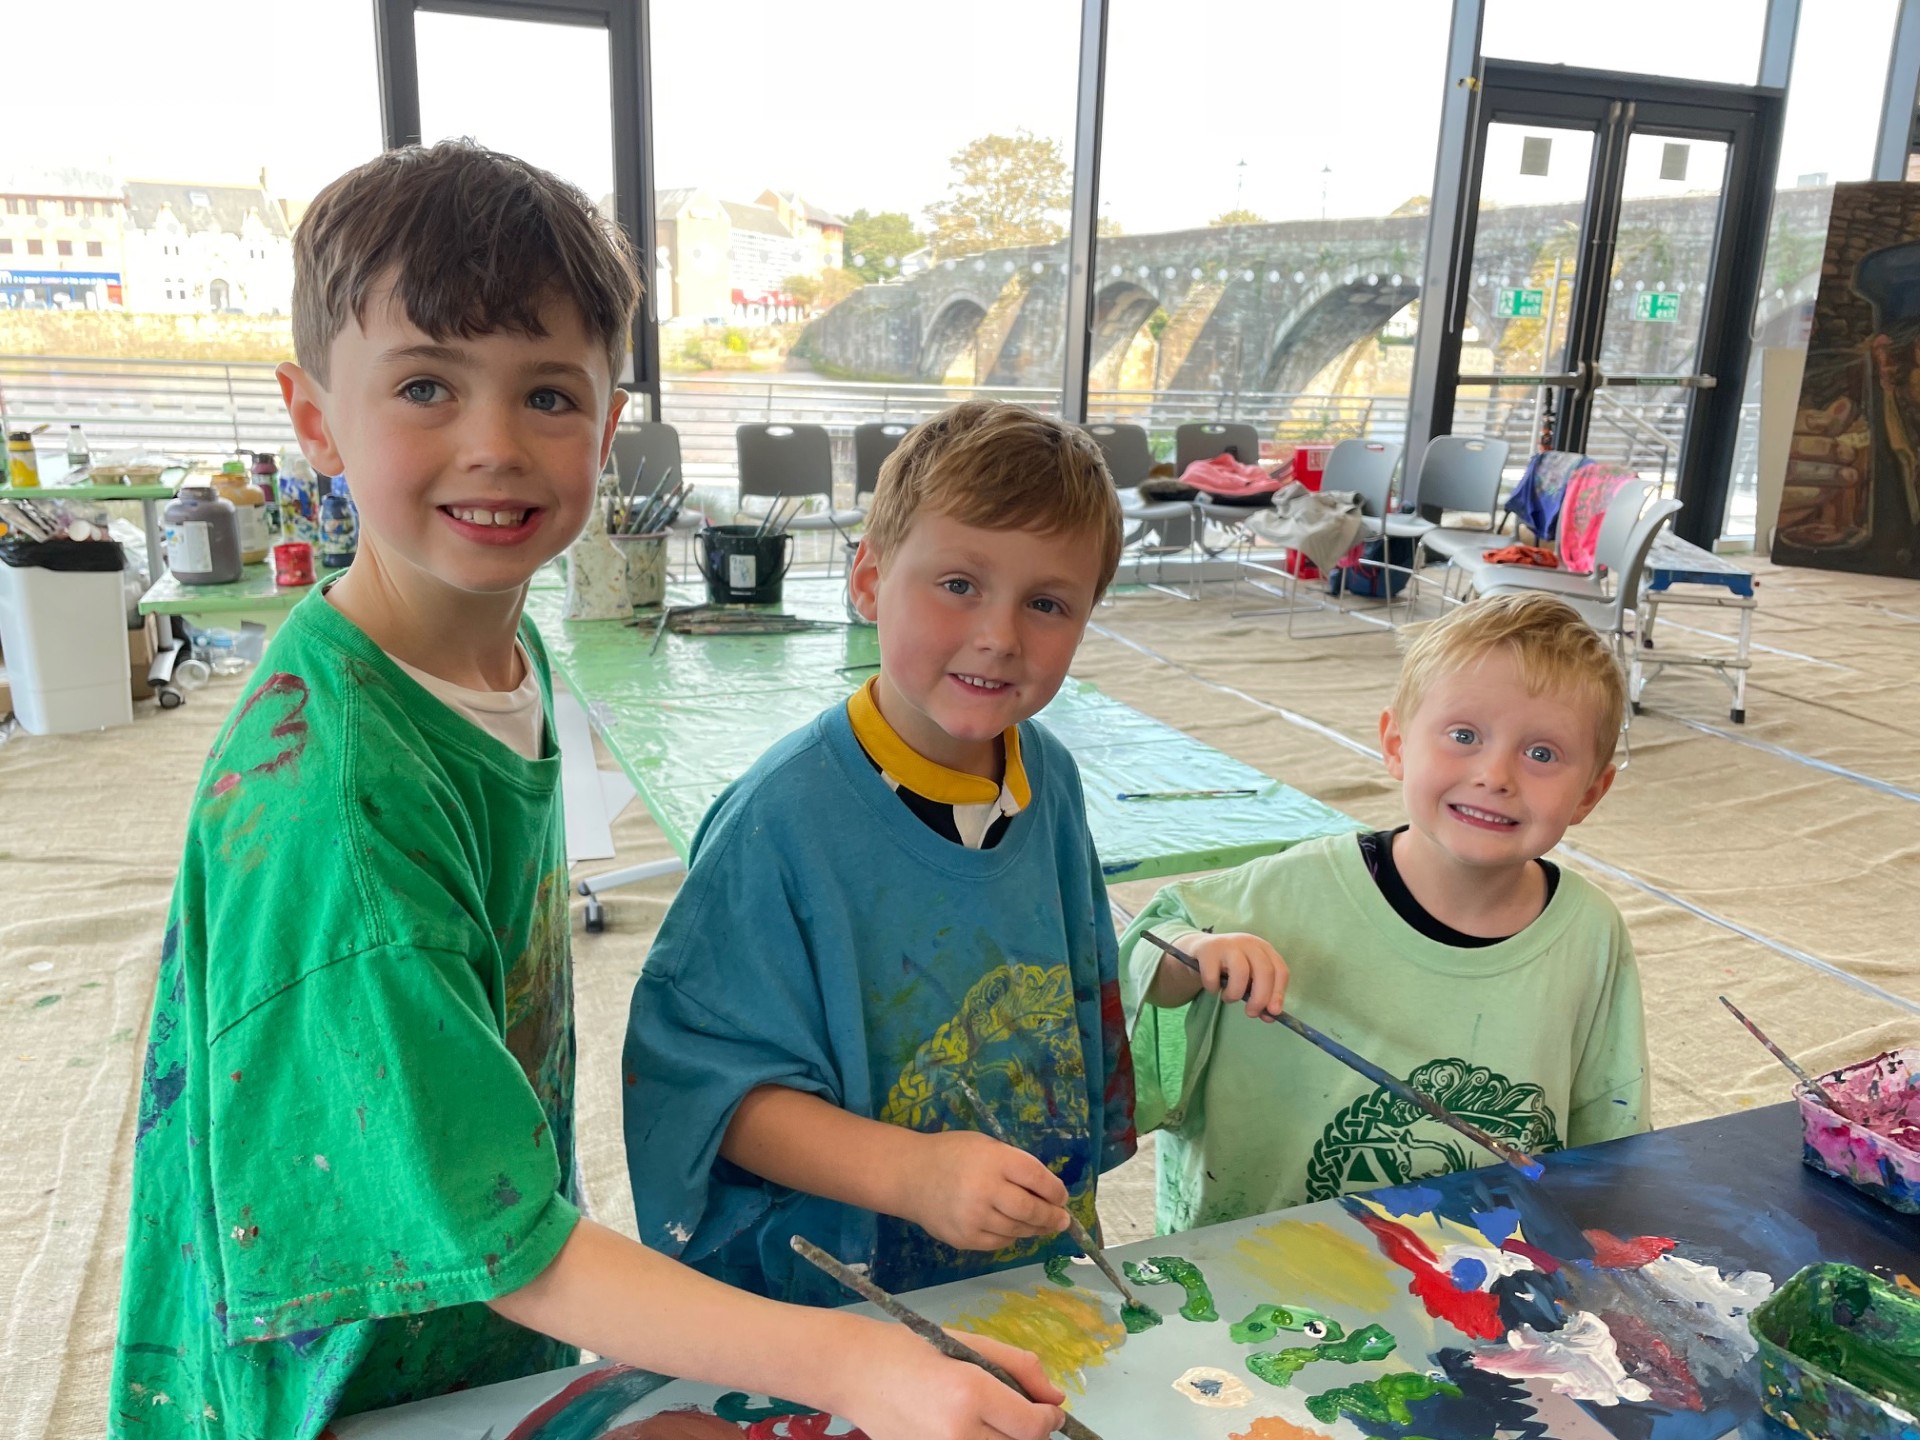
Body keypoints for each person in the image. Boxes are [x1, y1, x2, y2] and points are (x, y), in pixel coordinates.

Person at [108, 142, 1067, 1440]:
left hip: (454, 1310)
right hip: (327, 1372)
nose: (495, 447)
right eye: (428, 386)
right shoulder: (338, 805)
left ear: (611, 423)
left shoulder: (496, 649)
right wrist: (849, 1364)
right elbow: (502, 1237)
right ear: (314, 413)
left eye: (549, 396)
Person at [623, 401, 1136, 1305]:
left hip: (1020, 1286)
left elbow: (1078, 995)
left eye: (1048, 603)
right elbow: (704, 1099)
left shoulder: (1046, 776)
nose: (999, 635)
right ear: (867, 581)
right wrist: (911, 1173)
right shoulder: (776, 824)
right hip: (840, 1311)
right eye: (958, 585)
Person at [1122, 591, 1649, 1233]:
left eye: (1542, 754)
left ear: (1591, 791)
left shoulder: (1590, 932)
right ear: (1396, 744)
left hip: (1478, 1280)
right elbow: (1143, 957)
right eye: (1463, 736)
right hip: (1259, 1271)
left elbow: (1609, 1137)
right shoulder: (1289, 889)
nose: (1495, 774)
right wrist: (1197, 957)